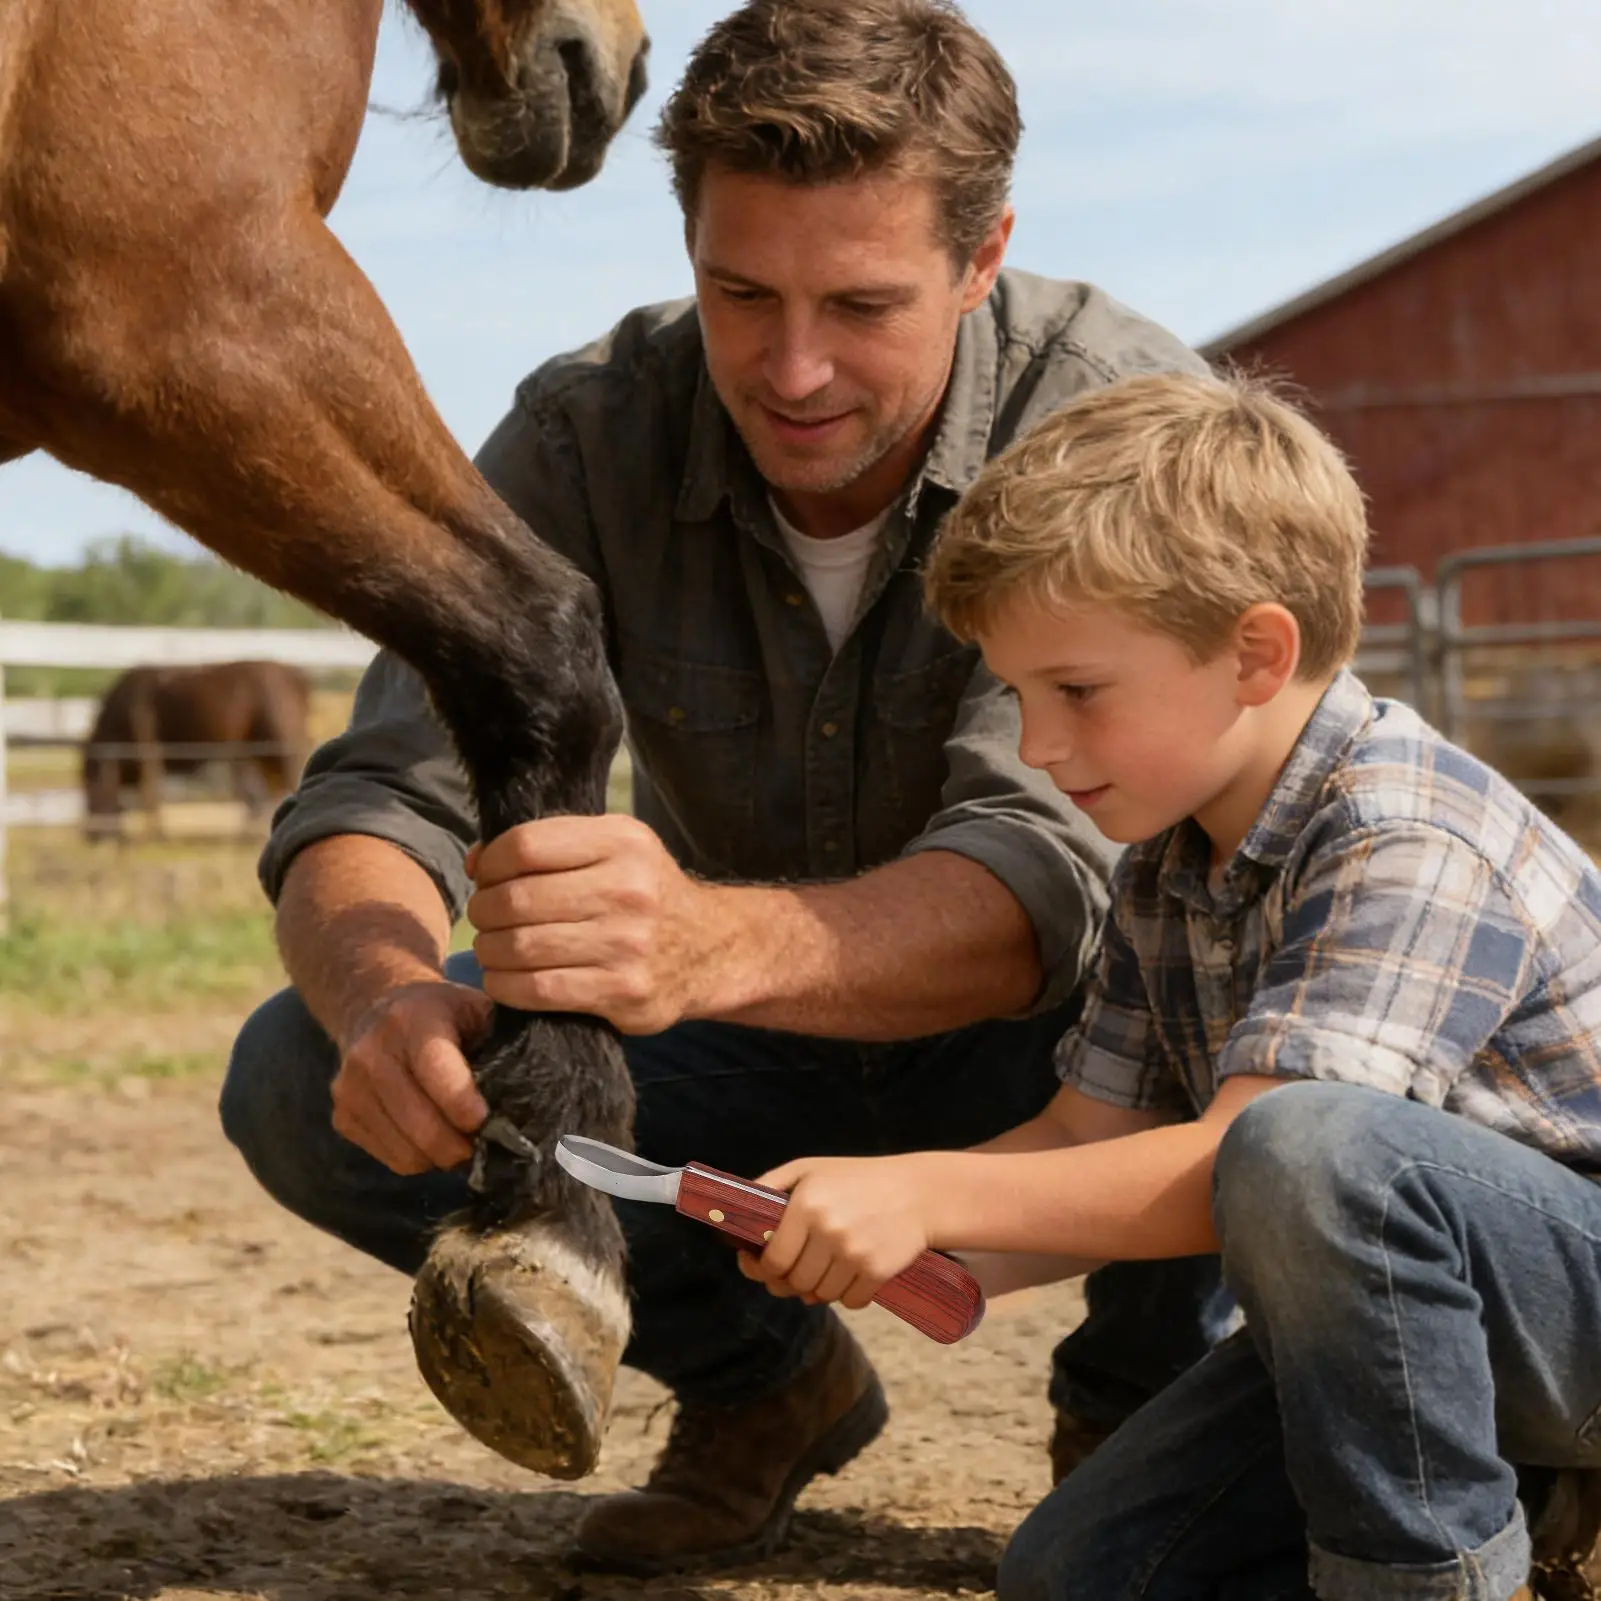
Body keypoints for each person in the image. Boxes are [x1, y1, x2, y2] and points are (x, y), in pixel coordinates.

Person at [218, 0, 1234, 1574]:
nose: (794, 368)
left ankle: (1138, 1419)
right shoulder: (585, 432)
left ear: (982, 256)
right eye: (740, 293)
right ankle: (766, 1387)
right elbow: (380, 791)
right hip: (739, 1044)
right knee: (296, 1074)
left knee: (1244, 996)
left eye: (863, 303)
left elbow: (1054, 872)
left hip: (1074, 1045)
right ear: (687, 242)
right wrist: (381, 997)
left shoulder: (1115, 423)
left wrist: (700, 944)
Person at [737, 368, 1601, 1601]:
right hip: (1437, 1338)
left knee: (1308, 1147)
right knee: (1079, 1574)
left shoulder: (1404, 832)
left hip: (1574, 1295)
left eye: (1076, 690)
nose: (1037, 745)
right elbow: (1087, 1136)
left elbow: (1252, 1164)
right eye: (1018, 695)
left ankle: (1428, 1580)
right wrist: (917, 1242)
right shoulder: (1166, 860)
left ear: (1254, 652)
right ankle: (1537, 1490)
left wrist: (921, 1185)